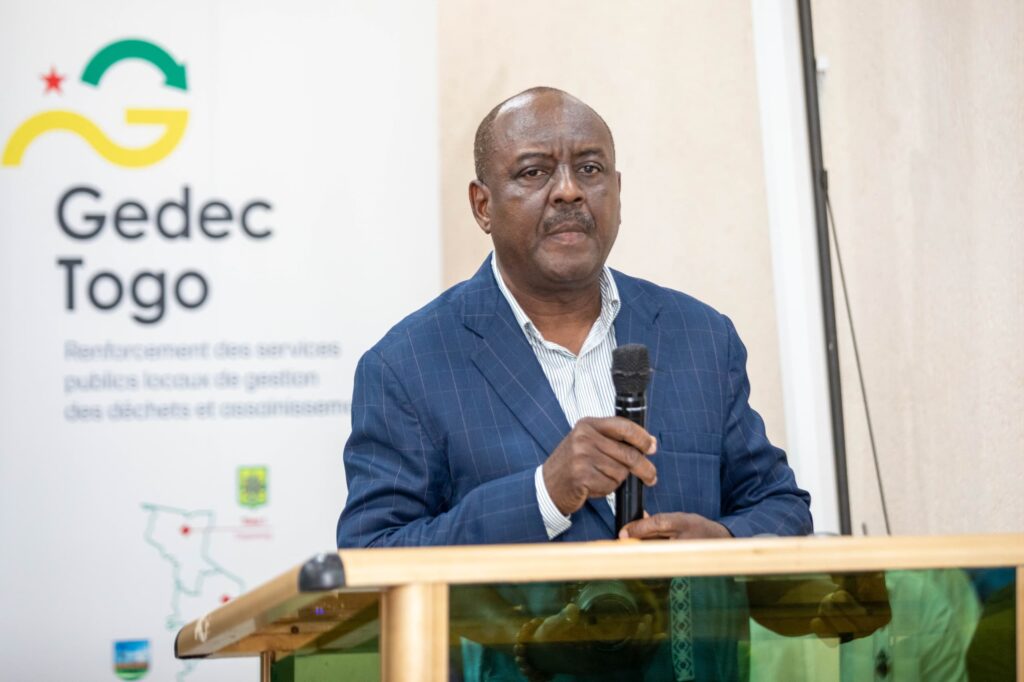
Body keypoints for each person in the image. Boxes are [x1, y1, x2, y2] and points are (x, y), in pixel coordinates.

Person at [337, 87, 815, 679]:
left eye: (589, 169)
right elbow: (371, 559)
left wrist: (722, 541)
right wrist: (543, 494)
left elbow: (780, 506)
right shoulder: (407, 364)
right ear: (483, 206)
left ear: (617, 191)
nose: (568, 190)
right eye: (534, 172)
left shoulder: (700, 336)